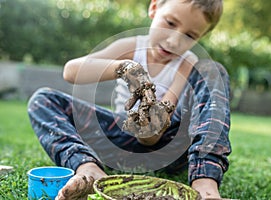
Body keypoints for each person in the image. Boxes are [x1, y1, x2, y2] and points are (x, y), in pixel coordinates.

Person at [28, 0, 231, 199]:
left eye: (189, 36)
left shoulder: (187, 64)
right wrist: (125, 68)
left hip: (170, 149)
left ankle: (205, 186)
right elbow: (71, 71)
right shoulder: (131, 47)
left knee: (211, 70)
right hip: (117, 142)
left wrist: (147, 121)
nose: (173, 41)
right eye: (170, 23)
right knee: (43, 100)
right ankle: (88, 168)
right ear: (154, 8)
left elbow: (152, 138)